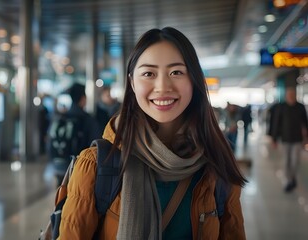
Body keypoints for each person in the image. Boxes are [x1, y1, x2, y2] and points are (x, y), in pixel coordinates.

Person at [57, 27, 247, 239]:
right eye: (149, 73)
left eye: (176, 72)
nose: (163, 86)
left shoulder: (217, 165)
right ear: (132, 83)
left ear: (193, 80)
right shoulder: (97, 165)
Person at [47, 83, 101, 185]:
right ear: (83, 98)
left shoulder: (61, 118)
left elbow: (50, 141)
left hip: (59, 167)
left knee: (62, 194)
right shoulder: (88, 120)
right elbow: (97, 147)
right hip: (80, 168)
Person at [271, 87, 308, 193]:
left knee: (295, 160)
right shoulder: (281, 107)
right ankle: (289, 180)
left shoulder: (300, 107)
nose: (291, 96)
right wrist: (274, 139)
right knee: (286, 160)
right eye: (289, 95)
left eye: (292, 94)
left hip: (297, 139)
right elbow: (276, 123)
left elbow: (305, 122)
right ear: (286, 96)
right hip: (285, 139)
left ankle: (292, 177)